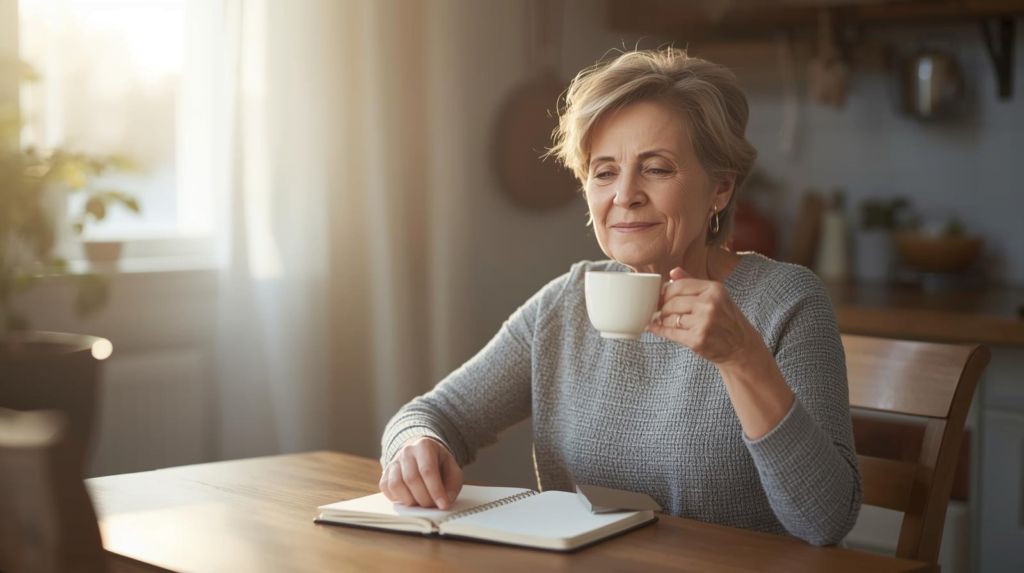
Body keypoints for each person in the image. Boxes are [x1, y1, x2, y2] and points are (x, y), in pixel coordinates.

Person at [378, 48, 862, 546]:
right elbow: (433, 414)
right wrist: (417, 444)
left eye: (656, 168)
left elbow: (824, 522)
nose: (624, 194)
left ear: (720, 188)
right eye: (604, 171)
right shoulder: (565, 304)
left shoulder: (787, 303)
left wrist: (741, 357)